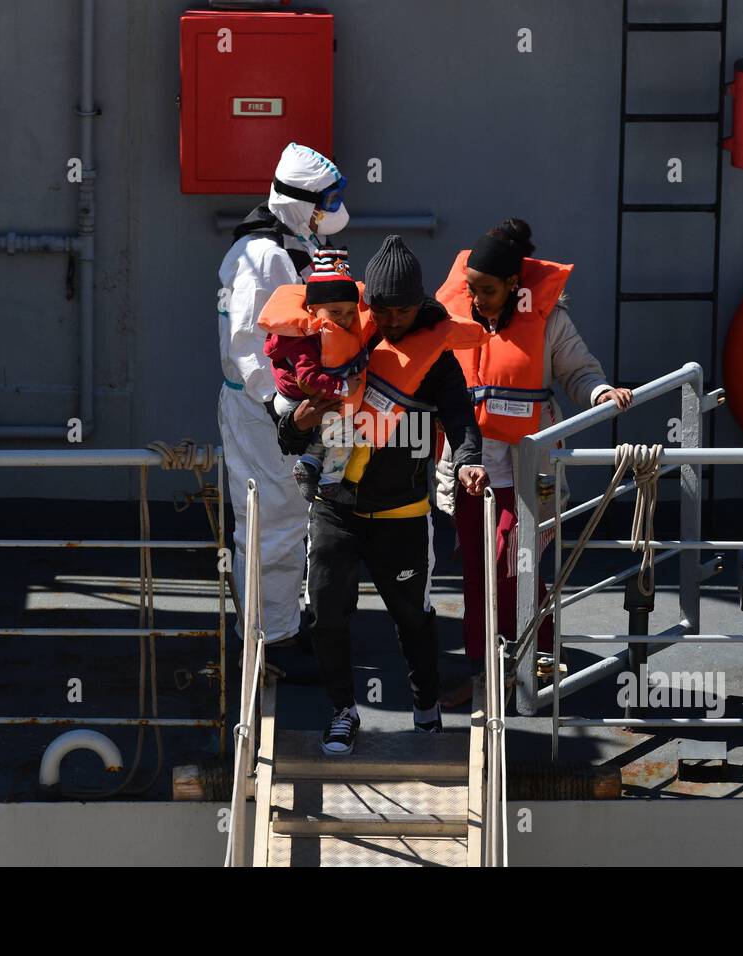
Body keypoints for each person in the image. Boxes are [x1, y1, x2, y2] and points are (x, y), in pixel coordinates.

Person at [276, 236, 489, 756]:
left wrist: (467, 463)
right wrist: (303, 418)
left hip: (403, 514)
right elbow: (287, 435)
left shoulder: (435, 358)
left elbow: (461, 419)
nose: (392, 321)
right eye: (384, 310)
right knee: (326, 615)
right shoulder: (347, 344)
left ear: (420, 305)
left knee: (412, 618)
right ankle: (344, 711)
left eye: (403, 311)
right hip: (334, 512)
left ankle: (426, 713)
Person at [433, 219, 634, 708]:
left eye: (488, 291)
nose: (477, 299)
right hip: (470, 471)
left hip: (529, 472)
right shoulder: (452, 320)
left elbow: (579, 371)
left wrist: (603, 393)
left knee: (518, 564)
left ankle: (536, 662)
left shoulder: (549, 322)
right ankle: (484, 672)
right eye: (472, 289)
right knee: (479, 575)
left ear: (513, 287)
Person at [217, 143, 348, 647]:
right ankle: (272, 640)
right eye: (322, 202)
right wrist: (283, 408)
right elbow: (248, 342)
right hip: (262, 412)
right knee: (269, 523)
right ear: (299, 201)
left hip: (287, 409)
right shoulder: (262, 256)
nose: (326, 212)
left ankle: (283, 625)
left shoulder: (288, 245)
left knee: (291, 517)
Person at [259, 248, 371, 504]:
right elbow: (308, 380)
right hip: (297, 401)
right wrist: (344, 387)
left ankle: (309, 463)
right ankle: (330, 482)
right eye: (335, 312)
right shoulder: (304, 340)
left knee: (332, 428)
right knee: (342, 431)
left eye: (350, 312)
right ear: (312, 310)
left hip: (304, 398)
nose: (344, 320)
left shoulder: (326, 333)